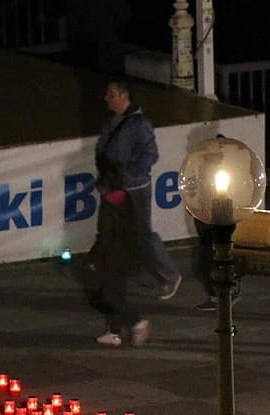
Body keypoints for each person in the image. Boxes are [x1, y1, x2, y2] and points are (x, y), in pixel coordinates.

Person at [95, 76, 182, 301]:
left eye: (112, 95)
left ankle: (169, 275)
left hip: (134, 189)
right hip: (113, 186)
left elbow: (150, 155)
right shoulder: (111, 121)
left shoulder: (139, 124)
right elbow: (102, 151)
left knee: (143, 234)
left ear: (124, 96)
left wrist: (126, 175)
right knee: (110, 231)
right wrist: (106, 177)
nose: (107, 99)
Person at [86, 163, 151, 347]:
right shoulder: (126, 199)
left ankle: (136, 321)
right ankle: (114, 331)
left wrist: (93, 257)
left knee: (108, 295)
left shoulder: (109, 205)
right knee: (116, 293)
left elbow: (105, 235)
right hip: (128, 254)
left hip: (111, 257)